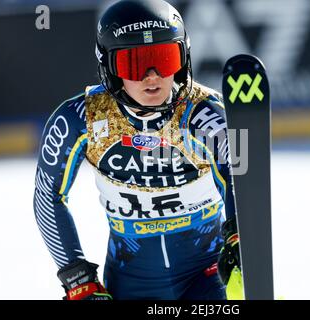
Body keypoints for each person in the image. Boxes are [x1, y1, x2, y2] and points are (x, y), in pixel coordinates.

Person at [33, 0, 242, 300]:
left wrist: (238, 238)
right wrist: (77, 278)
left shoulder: (206, 114)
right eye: (135, 63)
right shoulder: (81, 119)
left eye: (165, 58)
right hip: (130, 285)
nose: (152, 76)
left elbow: (241, 174)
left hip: (208, 277)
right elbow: (47, 196)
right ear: (109, 67)